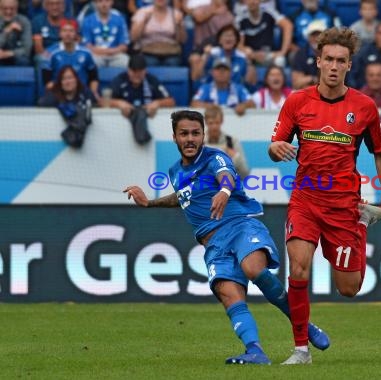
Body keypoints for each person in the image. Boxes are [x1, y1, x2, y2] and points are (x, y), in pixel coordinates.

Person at [123, 109, 330, 365]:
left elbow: (227, 176)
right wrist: (149, 203)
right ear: (174, 137)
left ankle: (303, 325)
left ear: (203, 135)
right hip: (212, 243)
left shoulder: (215, 157)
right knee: (229, 293)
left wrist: (223, 191)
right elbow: (183, 197)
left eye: (196, 133)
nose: (190, 139)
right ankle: (255, 351)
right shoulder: (175, 171)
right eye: (184, 133)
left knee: (253, 269)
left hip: (240, 226)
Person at [268, 27, 381, 365]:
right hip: (305, 199)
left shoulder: (365, 106)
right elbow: (274, 144)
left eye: (341, 60)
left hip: (343, 205)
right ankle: (300, 351)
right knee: (298, 268)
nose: (334, 66)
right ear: (318, 61)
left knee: (349, 288)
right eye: (329, 59)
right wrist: (276, 147)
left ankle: (364, 219)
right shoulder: (297, 101)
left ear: (349, 65)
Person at [108, 54, 175, 144]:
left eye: (140, 72)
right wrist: (119, 103)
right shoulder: (119, 80)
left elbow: (171, 101)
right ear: (128, 70)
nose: (137, 75)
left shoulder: (152, 80)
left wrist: (157, 103)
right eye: (134, 71)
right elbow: (104, 102)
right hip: (119, 135)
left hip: (151, 124)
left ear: (145, 71)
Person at [42, 19, 100, 101]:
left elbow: (94, 77)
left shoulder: (86, 53)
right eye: (64, 31)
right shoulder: (51, 53)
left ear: (76, 34)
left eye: (71, 31)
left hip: (81, 92)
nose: (68, 34)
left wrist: (93, 92)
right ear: (60, 33)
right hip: (59, 92)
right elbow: (47, 81)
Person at [38, 65, 96, 147]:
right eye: (64, 79)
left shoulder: (85, 92)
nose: (68, 81)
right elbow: (41, 104)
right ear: (60, 82)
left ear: (76, 79)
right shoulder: (54, 94)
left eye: (70, 78)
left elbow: (95, 107)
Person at [235, 0, 293, 68]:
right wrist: (253, 54)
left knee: (280, 60)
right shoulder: (240, 19)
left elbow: (288, 25)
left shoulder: (269, 12)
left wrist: (283, 51)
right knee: (242, 57)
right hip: (251, 55)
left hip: (268, 54)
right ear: (245, 2)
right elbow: (239, 45)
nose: (252, 2)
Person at [130, 0, 186, 66]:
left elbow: (182, 40)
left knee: (172, 63)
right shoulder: (142, 12)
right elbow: (133, 38)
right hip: (147, 51)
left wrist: (179, 26)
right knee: (150, 62)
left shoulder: (176, 14)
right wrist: (143, 22)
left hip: (170, 52)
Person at [204, 104, 250, 178]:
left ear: (222, 121)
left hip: (228, 187)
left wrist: (236, 157)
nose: (214, 127)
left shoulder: (232, 142)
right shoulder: (199, 143)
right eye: (211, 123)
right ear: (205, 122)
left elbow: (245, 173)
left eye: (217, 122)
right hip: (205, 188)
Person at [81, 0, 130, 68]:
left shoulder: (120, 19)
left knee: (126, 61)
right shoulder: (88, 20)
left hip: (115, 55)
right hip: (96, 55)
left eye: (107, 1)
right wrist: (105, 52)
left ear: (112, 2)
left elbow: (124, 45)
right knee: (90, 60)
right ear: (96, 3)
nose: (104, 4)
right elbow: (87, 46)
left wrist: (111, 51)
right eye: (100, 1)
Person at [0, 0, 32, 66]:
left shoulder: (24, 21)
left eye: (12, 8)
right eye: (5, 8)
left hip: (16, 57)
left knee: (23, 60)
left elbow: (27, 49)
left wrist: (7, 54)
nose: (8, 12)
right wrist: (6, 31)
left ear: (17, 9)